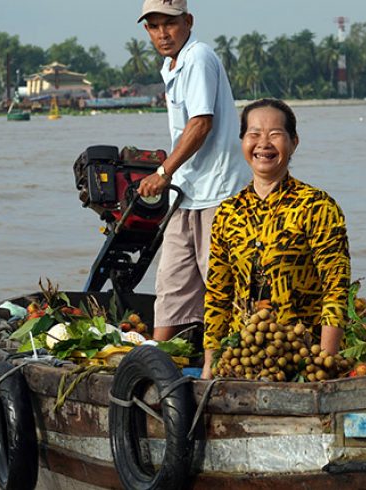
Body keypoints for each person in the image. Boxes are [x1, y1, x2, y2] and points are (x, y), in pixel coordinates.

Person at [201, 99, 351, 379]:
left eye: (275, 135)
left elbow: (336, 289)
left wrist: (324, 362)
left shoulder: (316, 206)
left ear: (293, 143)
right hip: (242, 357)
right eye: (254, 134)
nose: (264, 144)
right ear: (243, 142)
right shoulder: (228, 212)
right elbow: (218, 295)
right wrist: (210, 363)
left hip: (301, 358)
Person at [135, 0, 251, 343]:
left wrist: (163, 171)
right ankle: (156, 356)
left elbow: (200, 124)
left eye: (168, 24)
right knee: (171, 280)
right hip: (187, 192)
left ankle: (236, 356)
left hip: (217, 191)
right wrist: (168, 172)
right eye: (154, 26)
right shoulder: (172, 65)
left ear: (187, 21)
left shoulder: (198, 57)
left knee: (224, 284)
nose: (162, 33)